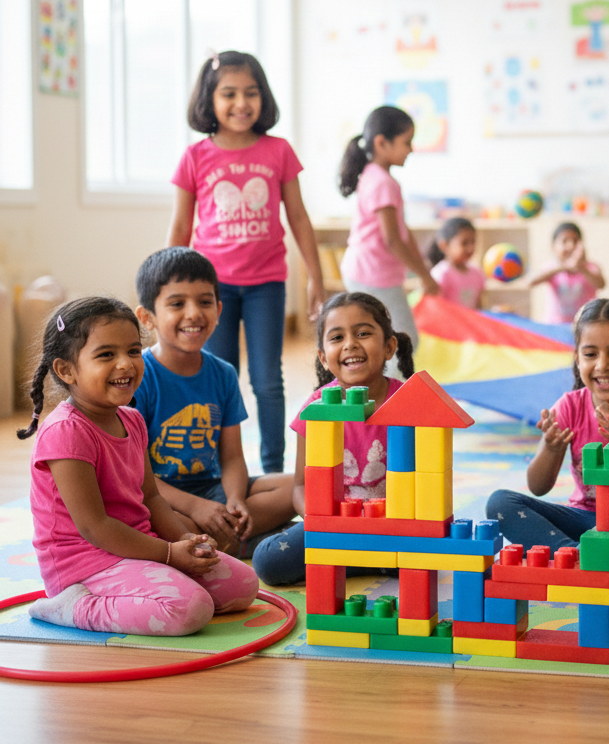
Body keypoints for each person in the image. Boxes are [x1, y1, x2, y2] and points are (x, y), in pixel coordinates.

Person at [21, 297, 258, 636]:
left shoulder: (132, 419)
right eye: (106, 355)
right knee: (190, 608)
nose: (126, 364)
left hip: (138, 546)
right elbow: (95, 527)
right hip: (84, 563)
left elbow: (151, 498)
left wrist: (184, 540)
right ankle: (73, 606)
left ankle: (155, 585)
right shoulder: (66, 432)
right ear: (66, 370)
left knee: (244, 585)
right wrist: (168, 555)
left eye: (133, 351)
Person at [167, 50, 326, 474]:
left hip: (266, 285)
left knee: (267, 381)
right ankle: (219, 470)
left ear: (264, 97)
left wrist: (316, 277)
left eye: (251, 93)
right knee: (220, 378)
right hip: (209, 291)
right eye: (230, 93)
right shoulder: (196, 157)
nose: (242, 103)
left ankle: (274, 470)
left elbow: (298, 217)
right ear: (209, 100)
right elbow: (182, 223)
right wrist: (165, 285)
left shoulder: (278, 151)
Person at [485, 298, 609, 578]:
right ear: (578, 359)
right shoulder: (569, 406)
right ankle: (585, 562)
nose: (602, 365)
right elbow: (537, 487)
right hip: (585, 523)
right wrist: (552, 449)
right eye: (590, 354)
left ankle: (578, 563)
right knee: (499, 504)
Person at [133, 247, 295, 557]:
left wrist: (235, 500)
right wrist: (196, 507)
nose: (194, 313)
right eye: (177, 303)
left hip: (213, 488)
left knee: (301, 487)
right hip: (158, 496)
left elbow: (232, 457)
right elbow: (136, 477)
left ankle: (222, 541)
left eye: (205, 302)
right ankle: (246, 542)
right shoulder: (139, 376)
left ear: (219, 311)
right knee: (147, 518)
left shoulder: (223, 373)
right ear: (147, 317)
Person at [252, 292, 415, 585]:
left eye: (363, 333)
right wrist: (320, 523)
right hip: (335, 528)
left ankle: (353, 560)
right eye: (337, 337)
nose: (350, 344)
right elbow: (301, 486)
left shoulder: (408, 404)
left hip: (393, 527)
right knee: (268, 562)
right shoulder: (314, 411)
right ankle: (362, 560)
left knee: (420, 560)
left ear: (390, 346)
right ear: (323, 357)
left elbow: (425, 484)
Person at [338, 106, 439, 350]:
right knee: (403, 342)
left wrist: (423, 267)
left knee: (386, 340)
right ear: (382, 143)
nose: (412, 149)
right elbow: (393, 240)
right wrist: (425, 276)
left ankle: (381, 386)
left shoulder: (375, 176)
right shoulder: (383, 182)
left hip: (366, 271)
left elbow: (402, 230)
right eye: (407, 142)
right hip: (371, 275)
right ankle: (393, 389)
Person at [527, 222, 606, 324]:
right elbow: (530, 282)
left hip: (585, 326)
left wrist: (581, 267)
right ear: (553, 247)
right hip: (555, 326)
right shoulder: (551, 267)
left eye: (575, 241)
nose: (570, 246)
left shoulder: (591, 267)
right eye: (564, 241)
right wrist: (564, 267)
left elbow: (601, 284)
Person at [427, 217, 486, 309]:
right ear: (444, 245)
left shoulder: (477, 273)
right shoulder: (441, 274)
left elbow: (478, 307)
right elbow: (435, 308)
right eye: (464, 243)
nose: (470, 248)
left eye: (473, 242)